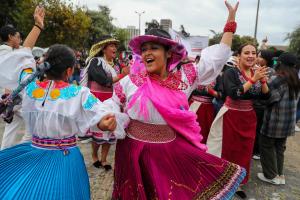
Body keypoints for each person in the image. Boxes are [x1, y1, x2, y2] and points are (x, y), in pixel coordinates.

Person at [107, 2, 246, 199]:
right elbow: (112, 102)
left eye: (154, 48)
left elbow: (216, 58)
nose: (147, 53)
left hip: (167, 151)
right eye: (144, 49)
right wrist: (108, 117)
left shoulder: (184, 77)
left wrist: (230, 24)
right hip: (132, 150)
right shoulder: (131, 81)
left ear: (169, 53)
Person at [0, 44, 119, 199]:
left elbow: (23, 64)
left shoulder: (29, 88)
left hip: (34, 151)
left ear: (45, 66)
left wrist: (37, 26)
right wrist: (103, 124)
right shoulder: (78, 94)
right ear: (69, 71)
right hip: (64, 158)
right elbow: (101, 116)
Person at [207, 43, 270, 198]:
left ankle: (238, 182)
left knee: (245, 150)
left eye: (253, 53)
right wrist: (254, 79)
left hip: (248, 117)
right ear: (238, 55)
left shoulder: (256, 71)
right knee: (228, 149)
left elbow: (266, 96)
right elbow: (234, 93)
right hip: (231, 115)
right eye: (246, 52)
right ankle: (224, 180)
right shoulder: (231, 73)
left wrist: (262, 81)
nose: (250, 56)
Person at [80, 35, 128, 170]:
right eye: (111, 46)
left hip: (113, 102)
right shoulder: (96, 62)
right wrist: (123, 75)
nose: (114, 48)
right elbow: (103, 80)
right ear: (103, 49)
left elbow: (122, 84)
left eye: (115, 46)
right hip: (97, 102)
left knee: (110, 131)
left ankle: (104, 159)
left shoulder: (117, 65)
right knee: (98, 131)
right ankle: (95, 155)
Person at [0, 7, 44, 150]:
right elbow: (25, 52)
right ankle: (18, 157)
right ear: (10, 37)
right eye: (18, 37)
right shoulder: (5, 52)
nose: (20, 40)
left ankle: (5, 159)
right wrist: (37, 26)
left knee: (12, 131)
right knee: (32, 131)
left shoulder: (9, 53)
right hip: (14, 99)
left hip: (12, 100)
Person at [257, 52, 300, 185]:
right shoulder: (295, 78)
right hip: (288, 122)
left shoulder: (277, 78)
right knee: (280, 147)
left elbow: (268, 97)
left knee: (266, 146)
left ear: (280, 63)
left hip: (275, 121)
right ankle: (280, 175)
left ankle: (270, 175)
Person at [252, 50, 276, 160]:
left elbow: (266, 89)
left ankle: (256, 151)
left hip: (260, 105)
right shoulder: (256, 68)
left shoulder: (270, 71)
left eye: (260, 56)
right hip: (254, 104)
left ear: (267, 59)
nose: (257, 58)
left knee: (257, 129)